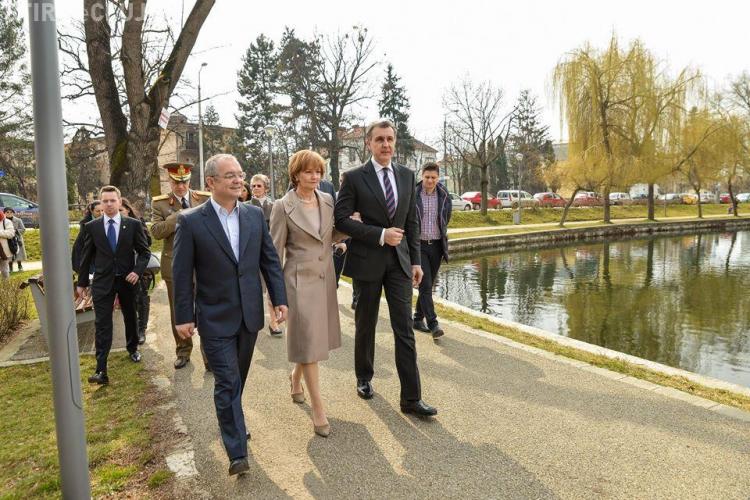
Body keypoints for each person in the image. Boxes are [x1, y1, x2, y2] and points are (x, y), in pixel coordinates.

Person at [172, 153, 287, 476]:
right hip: (213, 316)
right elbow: (182, 274)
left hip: (249, 314)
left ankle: (232, 419)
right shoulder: (191, 221)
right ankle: (237, 452)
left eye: (240, 174)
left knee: (237, 378)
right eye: (229, 176)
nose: (239, 180)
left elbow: (269, 261)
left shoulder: (253, 216)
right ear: (211, 183)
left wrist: (279, 299)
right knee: (226, 380)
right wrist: (183, 315)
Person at [334, 119, 437, 417]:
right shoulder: (354, 178)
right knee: (366, 325)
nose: (386, 145)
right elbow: (341, 220)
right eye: (379, 139)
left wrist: (416, 260)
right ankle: (364, 377)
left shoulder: (406, 176)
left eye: (390, 139)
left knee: (404, 328)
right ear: (368, 143)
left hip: (401, 264)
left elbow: (411, 222)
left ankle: (411, 398)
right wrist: (380, 235)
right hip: (368, 262)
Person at [270, 150, 344, 438]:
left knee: (311, 341)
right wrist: (273, 302)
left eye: (319, 172)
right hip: (298, 285)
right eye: (309, 172)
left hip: (325, 280)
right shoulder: (282, 206)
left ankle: (295, 378)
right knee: (310, 343)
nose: (315, 177)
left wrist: (350, 230)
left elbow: (328, 236)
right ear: (296, 174)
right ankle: (318, 409)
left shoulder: (327, 200)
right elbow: (275, 255)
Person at [76, 185, 151, 385]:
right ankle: (101, 369)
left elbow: (145, 252)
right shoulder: (92, 227)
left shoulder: (132, 225)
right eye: (105, 201)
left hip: (127, 281)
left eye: (112, 200)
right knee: (102, 323)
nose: (108, 204)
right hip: (103, 282)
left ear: (119, 202)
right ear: (100, 203)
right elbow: (86, 257)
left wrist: (137, 271)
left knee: (130, 316)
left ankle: (132, 348)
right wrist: (81, 283)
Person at [150, 162, 212, 370]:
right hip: (175, 264)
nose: (181, 187)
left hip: (203, 264)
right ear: (170, 181)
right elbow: (157, 232)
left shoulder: (203, 199)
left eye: (184, 182)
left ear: (190, 180)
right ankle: (183, 351)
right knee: (179, 310)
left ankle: (209, 355)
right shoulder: (159, 204)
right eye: (176, 182)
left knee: (205, 309)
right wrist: (179, 215)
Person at [413, 162, 452, 340]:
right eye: (427, 177)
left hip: (436, 246)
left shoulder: (444, 195)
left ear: (438, 178)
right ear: (422, 175)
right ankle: (433, 323)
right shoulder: (413, 194)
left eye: (433, 178)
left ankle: (417, 318)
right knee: (426, 284)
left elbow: (446, 218)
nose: (430, 180)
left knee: (426, 285)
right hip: (418, 245)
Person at [247, 173, 282, 337]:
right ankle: (250, 321)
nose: (255, 188)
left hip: (269, 252)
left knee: (271, 288)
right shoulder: (245, 207)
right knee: (253, 289)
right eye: (253, 186)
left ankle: (273, 323)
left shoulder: (275, 206)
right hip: (251, 254)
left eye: (258, 185)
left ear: (266, 188)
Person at [120, 198, 153, 345]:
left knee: (141, 298)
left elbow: (147, 244)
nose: (118, 213)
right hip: (122, 269)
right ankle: (132, 330)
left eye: (121, 210)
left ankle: (141, 330)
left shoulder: (137, 223)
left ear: (127, 209)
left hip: (139, 268)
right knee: (128, 302)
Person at [72, 200, 102, 274]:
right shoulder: (86, 225)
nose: (101, 213)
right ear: (92, 211)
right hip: (87, 257)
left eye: (102, 210)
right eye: (98, 211)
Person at [3, 208, 26, 272]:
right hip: (8, 239)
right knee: (9, 253)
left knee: (19, 254)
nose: (9, 213)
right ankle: (10, 268)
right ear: (4, 213)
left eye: (11, 212)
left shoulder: (18, 220)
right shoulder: (3, 221)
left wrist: (16, 231)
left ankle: (20, 266)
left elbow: (23, 229)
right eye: (7, 212)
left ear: (13, 213)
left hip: (17, 239)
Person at [0, 211, 14, 279]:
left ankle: (6, 288)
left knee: (4, 271)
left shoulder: (7, 222)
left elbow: (11, 234)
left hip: (4, 252)